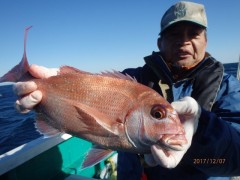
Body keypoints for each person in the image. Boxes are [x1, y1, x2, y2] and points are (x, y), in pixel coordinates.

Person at [13, 1, 240, 179]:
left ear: (206, 41)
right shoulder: (136, 79)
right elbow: (87, 93)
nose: (184, 41)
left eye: (194, 34)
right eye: (174, 34)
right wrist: (49, 99)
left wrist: (201, 131)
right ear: (160, 42)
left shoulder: (227, 88)